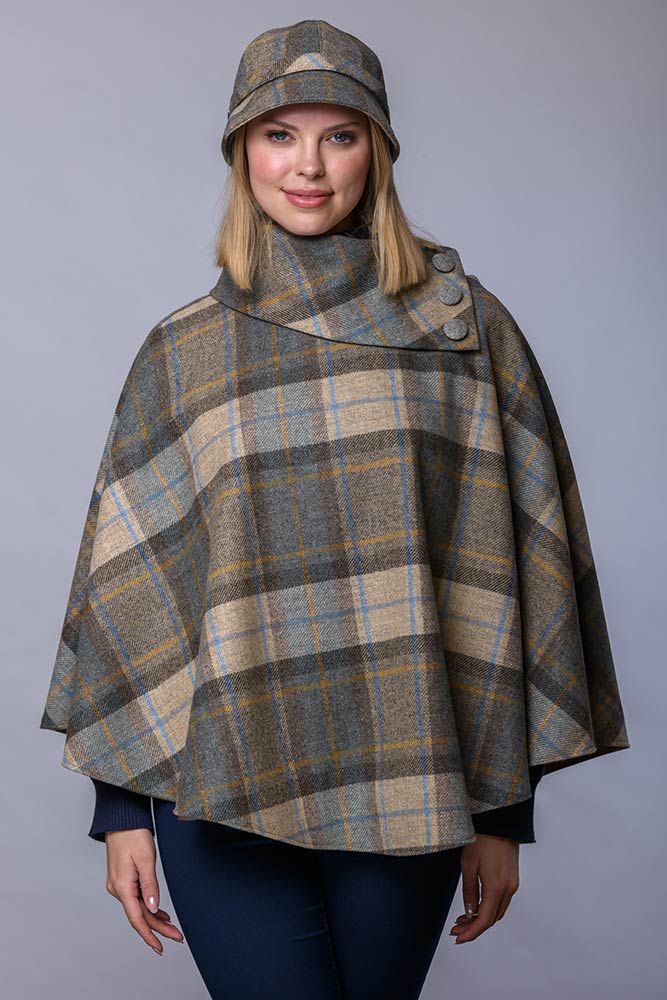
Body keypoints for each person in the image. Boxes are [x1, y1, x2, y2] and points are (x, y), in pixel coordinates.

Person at [39, 19, 630, 1000]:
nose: (307, 166)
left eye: (338, 136)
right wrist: (122, 811)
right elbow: (132, 595)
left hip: (410, 775)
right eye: (278, 135)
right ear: (242, 153)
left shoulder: (464, 331)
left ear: (377, 153)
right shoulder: (184, 351)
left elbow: (513, 567)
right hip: (219, 783)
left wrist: (502, 814)